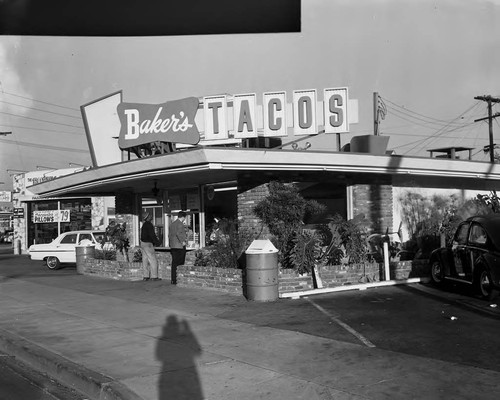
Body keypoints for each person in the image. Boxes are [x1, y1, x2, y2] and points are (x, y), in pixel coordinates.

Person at [140, 212, 161, 281]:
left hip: (143, 243)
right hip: (148, 244)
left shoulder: (144, 225)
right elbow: (152, 235)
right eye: (150, 215)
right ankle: (154, 276)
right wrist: (157, 243)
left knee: (145, 260)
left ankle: (145, 276)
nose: (151, 216)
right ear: (148, 217)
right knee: (153, 260)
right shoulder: (149, 225)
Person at [168, 211, 187, 284]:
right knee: (180, 263)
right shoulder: (180, 224)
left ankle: (173, 279)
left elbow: (169, 235)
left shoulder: (172, 224)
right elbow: (179, 234)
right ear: (183, 217)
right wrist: (183, 242)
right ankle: (178, 279)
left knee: (174, 263)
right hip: (179, 246)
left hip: (173, 246)